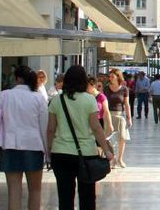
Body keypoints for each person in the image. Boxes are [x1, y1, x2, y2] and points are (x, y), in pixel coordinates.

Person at [46, 65, 115, 210]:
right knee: (87, 197)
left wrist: (49, 150)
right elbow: (96, 128)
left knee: (65, 196)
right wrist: (106, 149)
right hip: (86, 153)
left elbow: (51, 129)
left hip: (61, 152)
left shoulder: (57, 101)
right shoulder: (89, 100)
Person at [0, 65, 49, 210]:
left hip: (10, 145)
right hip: (34, 146)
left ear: (17, 78)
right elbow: (44, 126)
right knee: (35, 191)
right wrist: (47, 152)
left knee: (14, 192)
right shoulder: (39, 98)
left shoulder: (5, 95)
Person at [104, 69, 132, 168]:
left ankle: (120, 159)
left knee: (122, 138)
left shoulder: (124, 89)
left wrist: (129, 118)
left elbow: (127, 104)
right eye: (110, 76)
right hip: (108, 115)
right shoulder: (106, 88)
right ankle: (113, 159)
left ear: (118, 77)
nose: (110, 78)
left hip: (120, 115)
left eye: (112, 76)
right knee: (108, 138)